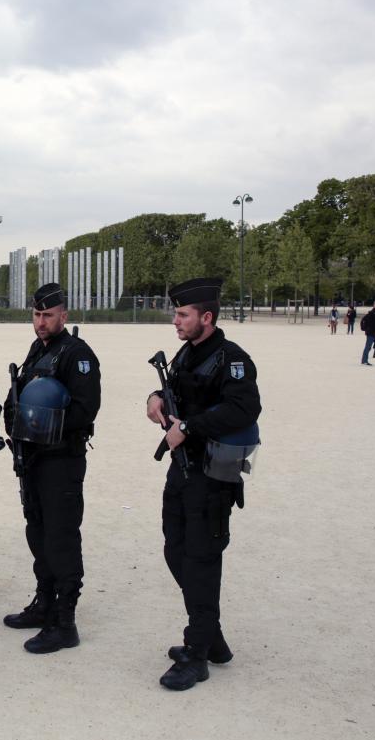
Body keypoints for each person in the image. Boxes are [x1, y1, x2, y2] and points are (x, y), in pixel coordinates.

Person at [144, 277, 262, 691]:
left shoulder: (232, 359)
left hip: (212, 476)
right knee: (175, 550)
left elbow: (244, 408)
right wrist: (155, 398)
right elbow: (178, 391)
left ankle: (197, 653)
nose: (175, 321)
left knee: (201, 559)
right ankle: (210, 636)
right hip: (183, 469)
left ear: (206, 318)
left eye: (182, 314)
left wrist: (189, 427)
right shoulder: (187, 353)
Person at [2, 283, 100, 654]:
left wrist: (38, 424)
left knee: (61, 537)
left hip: (61, 460)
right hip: (33, 460)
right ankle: (44, 603)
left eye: (48, 315)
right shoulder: (37, 350)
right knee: (38, 534)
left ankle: (66, 621)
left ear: (64, 315)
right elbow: (22, 393)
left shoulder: (78, 355)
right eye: (36, 315)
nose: (41, 322)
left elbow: (85, 409)